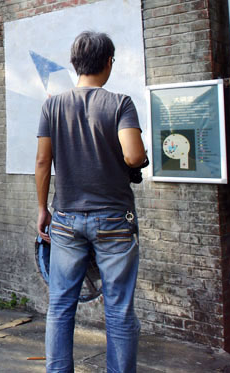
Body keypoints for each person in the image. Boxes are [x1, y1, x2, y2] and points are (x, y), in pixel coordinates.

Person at [35, 31, 147, 373]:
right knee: (119, 309)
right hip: (114, 221)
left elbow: (42, 162)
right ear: (108, 62)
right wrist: (139, 157)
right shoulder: (120, 103)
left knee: (60, 306)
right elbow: (133, 155)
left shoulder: (52, 105)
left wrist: (43, 209)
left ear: (74, 64)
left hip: (66, 219)